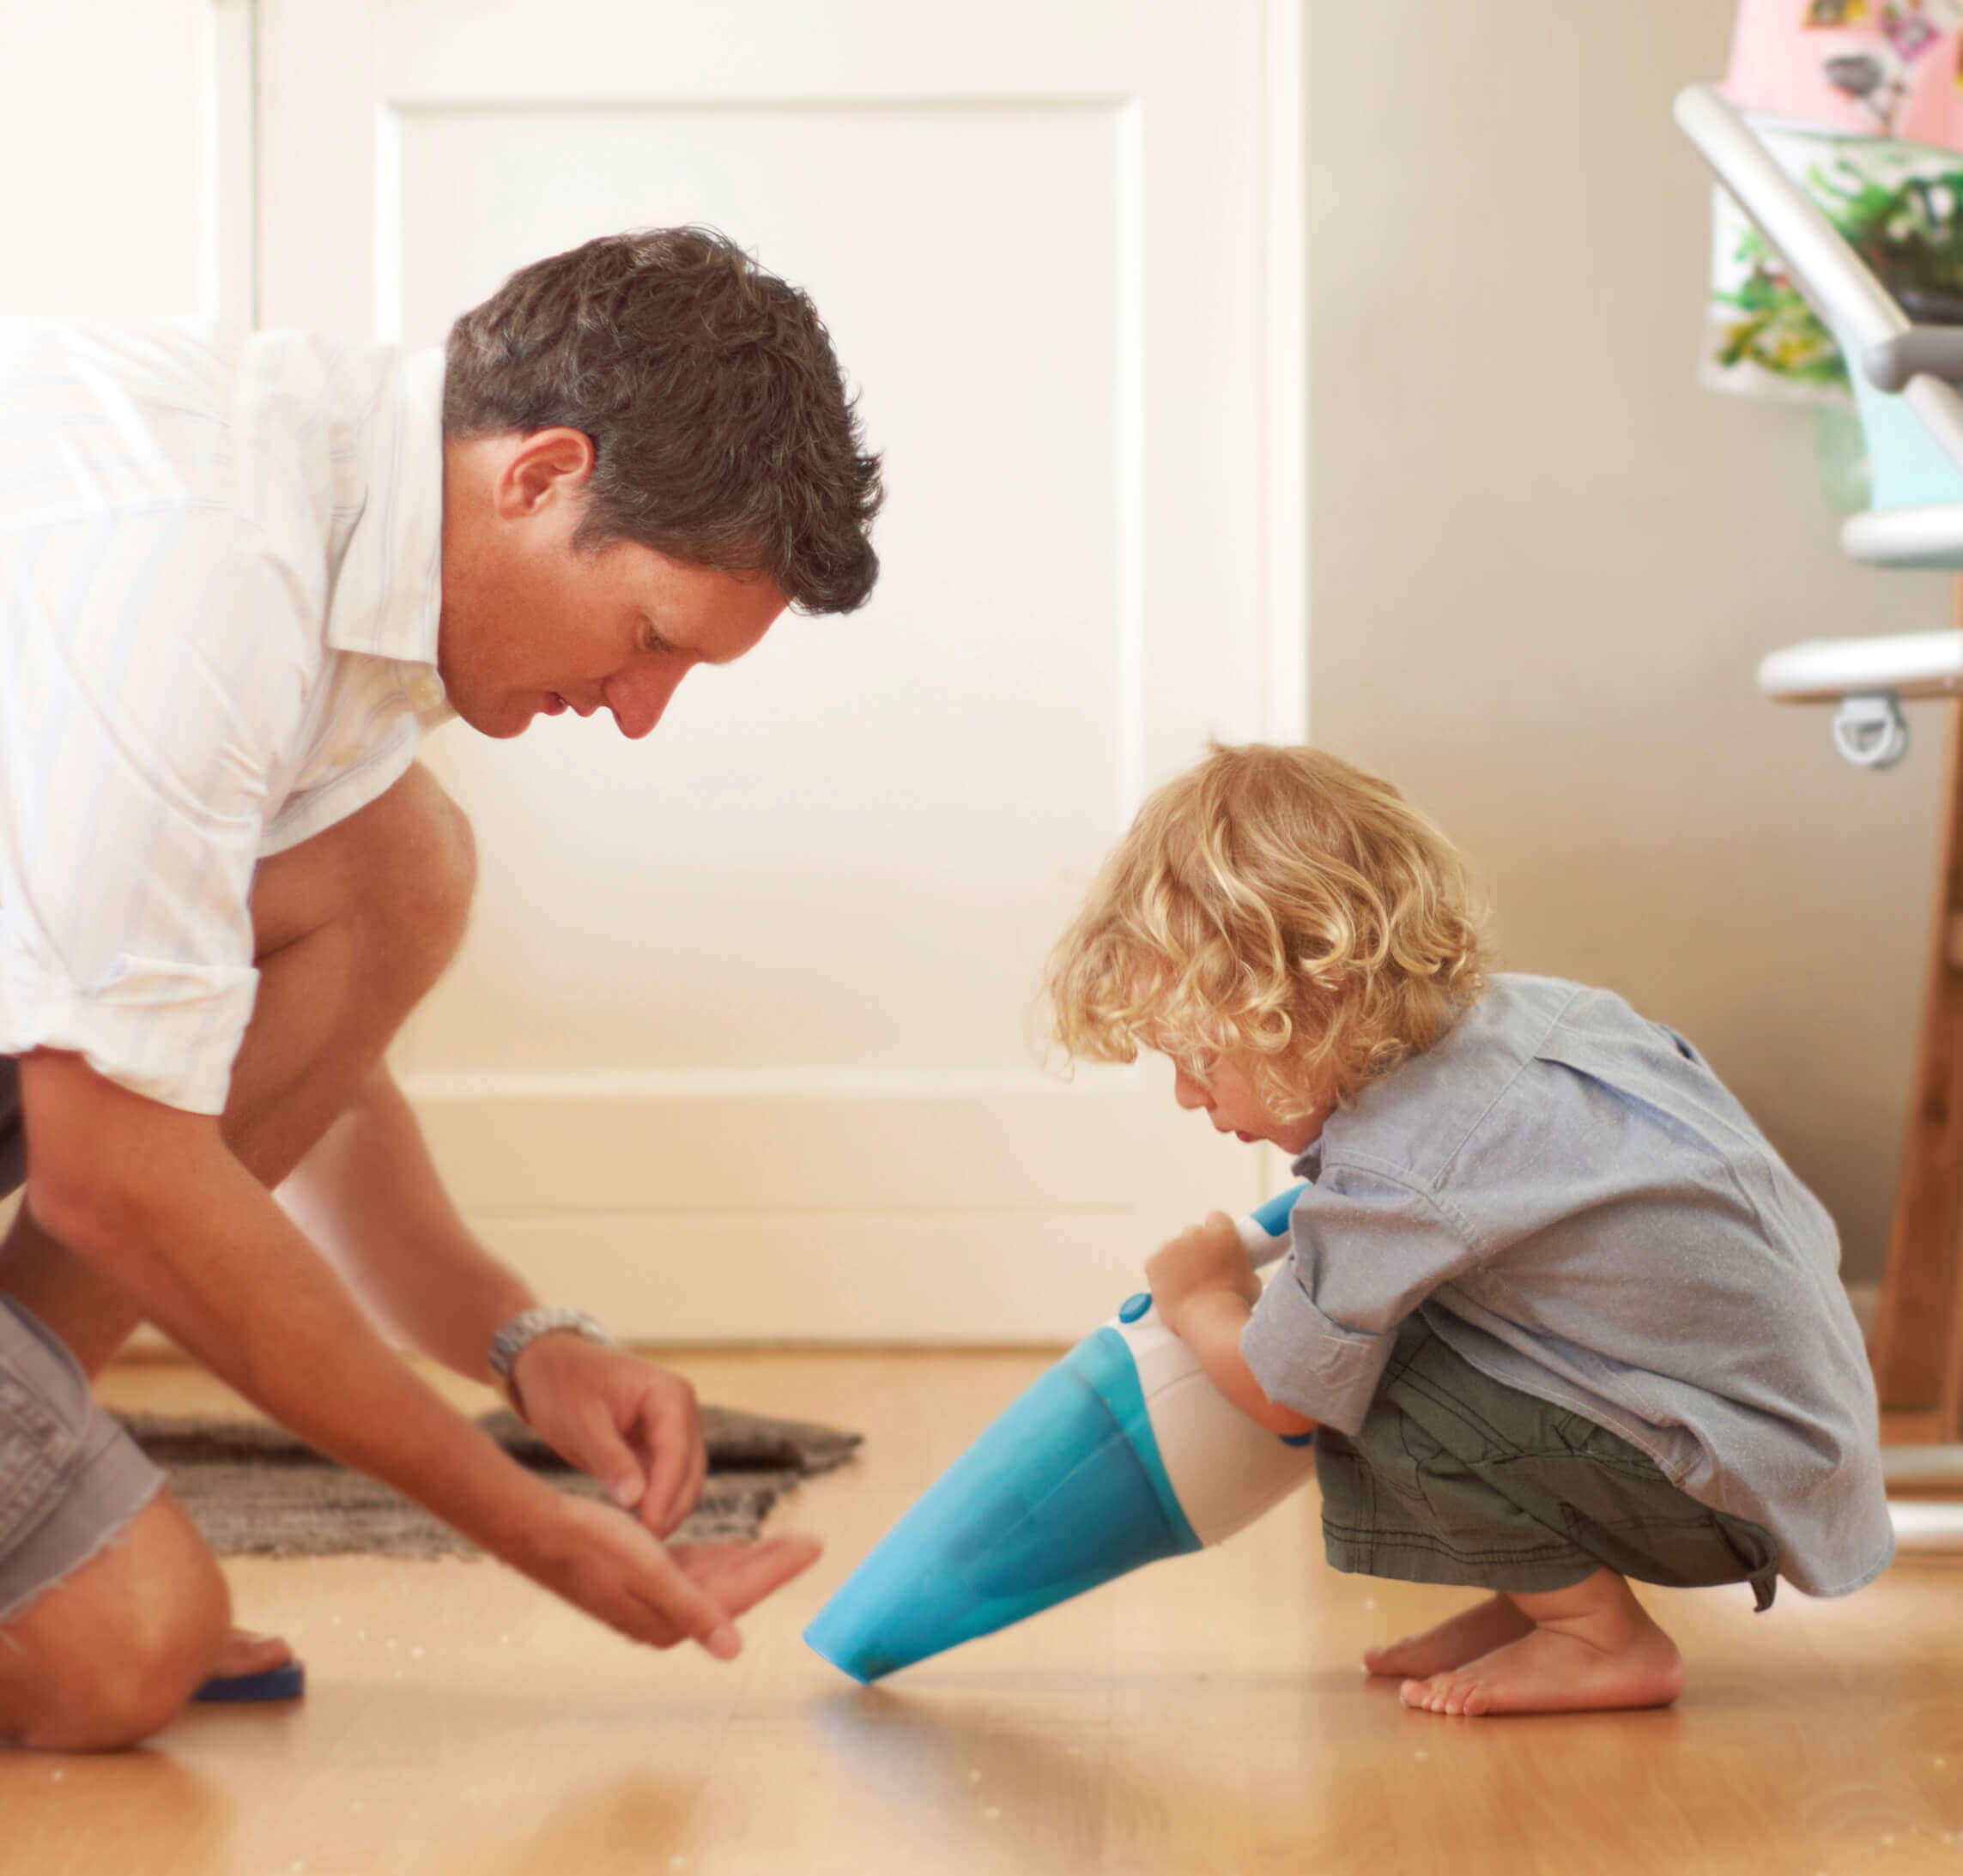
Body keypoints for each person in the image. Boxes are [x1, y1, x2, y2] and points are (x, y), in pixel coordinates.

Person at [0, 227, 882, 1752]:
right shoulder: (201, 570)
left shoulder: (367, 532)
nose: (638, 715)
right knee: (122, 1649)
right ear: (538, 477)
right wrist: (522, 1525)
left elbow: (244, 1036)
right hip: (77, 1138)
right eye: (650, 638)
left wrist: (517, 1337)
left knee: (399, 864)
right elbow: (113, 1173)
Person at [1043, 741, 1891, 1718]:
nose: (1189, 1094)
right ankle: (1542, 1598)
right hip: (1789, 1436)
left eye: (1198, 1058)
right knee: (1428, 1331)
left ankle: (1596, 1635)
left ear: (1307, 1007)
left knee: (1374, 1373)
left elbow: (1287, 1395)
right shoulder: (1542, 1013)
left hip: (1725, 1483)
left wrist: (1206, 1297)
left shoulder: (1400, 1167)